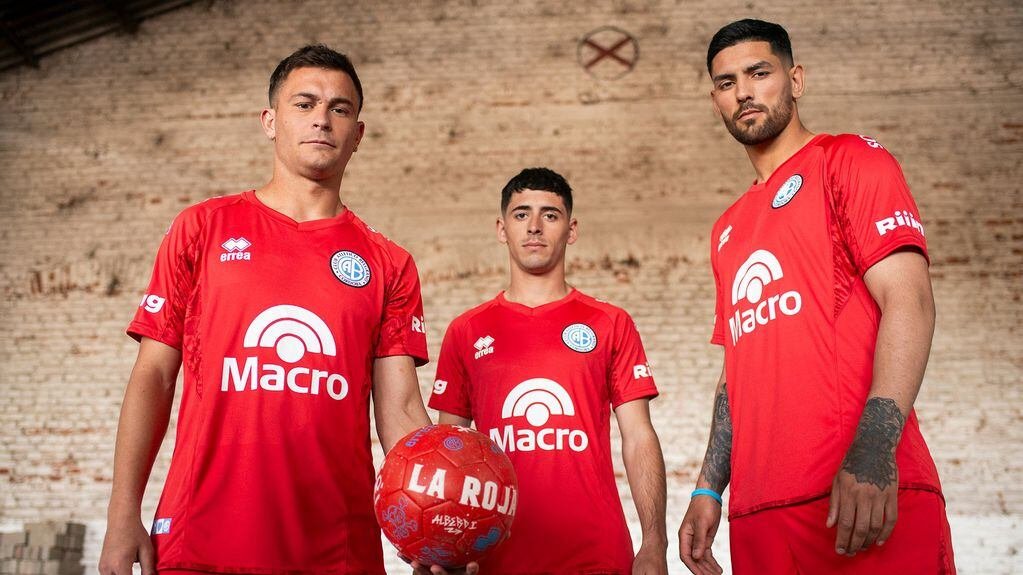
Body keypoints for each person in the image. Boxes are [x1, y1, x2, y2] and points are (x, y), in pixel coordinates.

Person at [97, 45, 472, 575]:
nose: (322, 118)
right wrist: (122, 515)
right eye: (304, 103)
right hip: (201, 539)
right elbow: (153, 377)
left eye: (340, 108)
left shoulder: (389, 263)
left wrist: (433, 526)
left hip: (336, 552)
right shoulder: (202, 228)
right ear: (270, 122)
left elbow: (402, 411)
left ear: (358, 134)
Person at [677, 19, 955, 575]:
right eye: (727, 83)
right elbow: (736, 372)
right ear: (716, 101)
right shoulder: (727, 228)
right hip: (759, 515)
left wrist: (875, 449)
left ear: (796, 80)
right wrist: (708, 489)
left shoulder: (849, 159)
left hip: (859, 495)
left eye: (759, 73)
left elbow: (911, 301)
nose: (744, 92)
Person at [428, 167, 669, 574]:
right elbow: (450, 453)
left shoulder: (610, 322)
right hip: (495, 558)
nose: (535, 226)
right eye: (521, 214)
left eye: (550, 215)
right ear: (502, 229)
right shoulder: (466, 330)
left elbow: (638, 436)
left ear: (571, 231)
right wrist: (442, 545)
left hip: (596, 556)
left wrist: (654, 541)